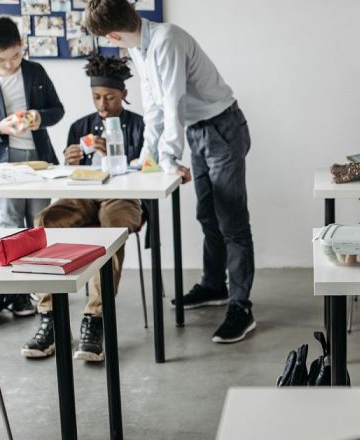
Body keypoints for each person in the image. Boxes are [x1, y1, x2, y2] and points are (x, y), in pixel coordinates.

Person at [85, 0, 256, 343]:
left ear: (114, 32)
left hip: (222, 128)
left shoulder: (167, 40)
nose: (111, 43)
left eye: (107, 38)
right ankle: (214, 286)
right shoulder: (139, 48)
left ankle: (242, 307)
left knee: (231, 221)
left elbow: (173, 100)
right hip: (198, 130)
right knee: (207, 214)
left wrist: (168, 156)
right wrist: (148, 155)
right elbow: (153, 106)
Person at [21, 55, 144, 360]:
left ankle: (95, 318)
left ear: (124, 94)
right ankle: (49, 316)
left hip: (123, 196)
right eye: (96, 97)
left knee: (112, 231)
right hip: (83, 193)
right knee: (45, 221)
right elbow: (67, 176)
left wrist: (120, 155)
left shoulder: (140, 125)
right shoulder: (80, 126)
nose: (102, 104)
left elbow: (149, 168)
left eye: (110, 97)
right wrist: (71, 160)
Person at [0, 17, 65, 317]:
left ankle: (41, 290)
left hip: (38, 160)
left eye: (15, 57)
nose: (9, 65)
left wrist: (38, 116)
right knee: (10, 226)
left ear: (22, 46)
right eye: (1, 59)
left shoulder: (36, 71)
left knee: (39, 224)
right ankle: (18, 294)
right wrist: (0, 127)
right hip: (3, 164)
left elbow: (57, 110)